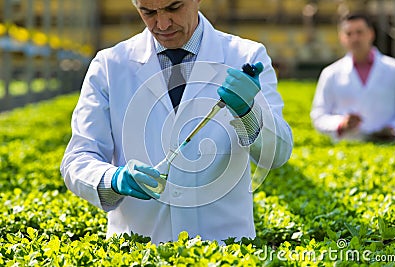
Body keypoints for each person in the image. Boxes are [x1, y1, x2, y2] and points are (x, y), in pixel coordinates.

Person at [60, 0, 293, 244]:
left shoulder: (246, 57)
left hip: (223, 250)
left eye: (174, 8)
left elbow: (278, 154)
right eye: (148, 12)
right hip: (139, 252)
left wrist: (249, 111)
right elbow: (78, 158)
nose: (162, 24)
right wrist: (114, 179)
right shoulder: (109, 65)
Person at [311, 13, 395, 142]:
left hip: (390, 146)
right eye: (349, 34)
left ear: (371, 33)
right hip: (348, 150)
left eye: (359, 32)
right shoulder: (330, 73)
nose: (355, 38)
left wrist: (393, 127)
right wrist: (341, 123)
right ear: (341, 38)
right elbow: (318, 116)